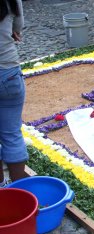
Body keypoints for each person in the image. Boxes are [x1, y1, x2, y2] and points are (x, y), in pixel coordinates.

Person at [0, 0, 28, 186]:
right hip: (8, 72)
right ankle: (19, 189)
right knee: (12, 135)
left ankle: (2, 188)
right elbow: (18, 26)